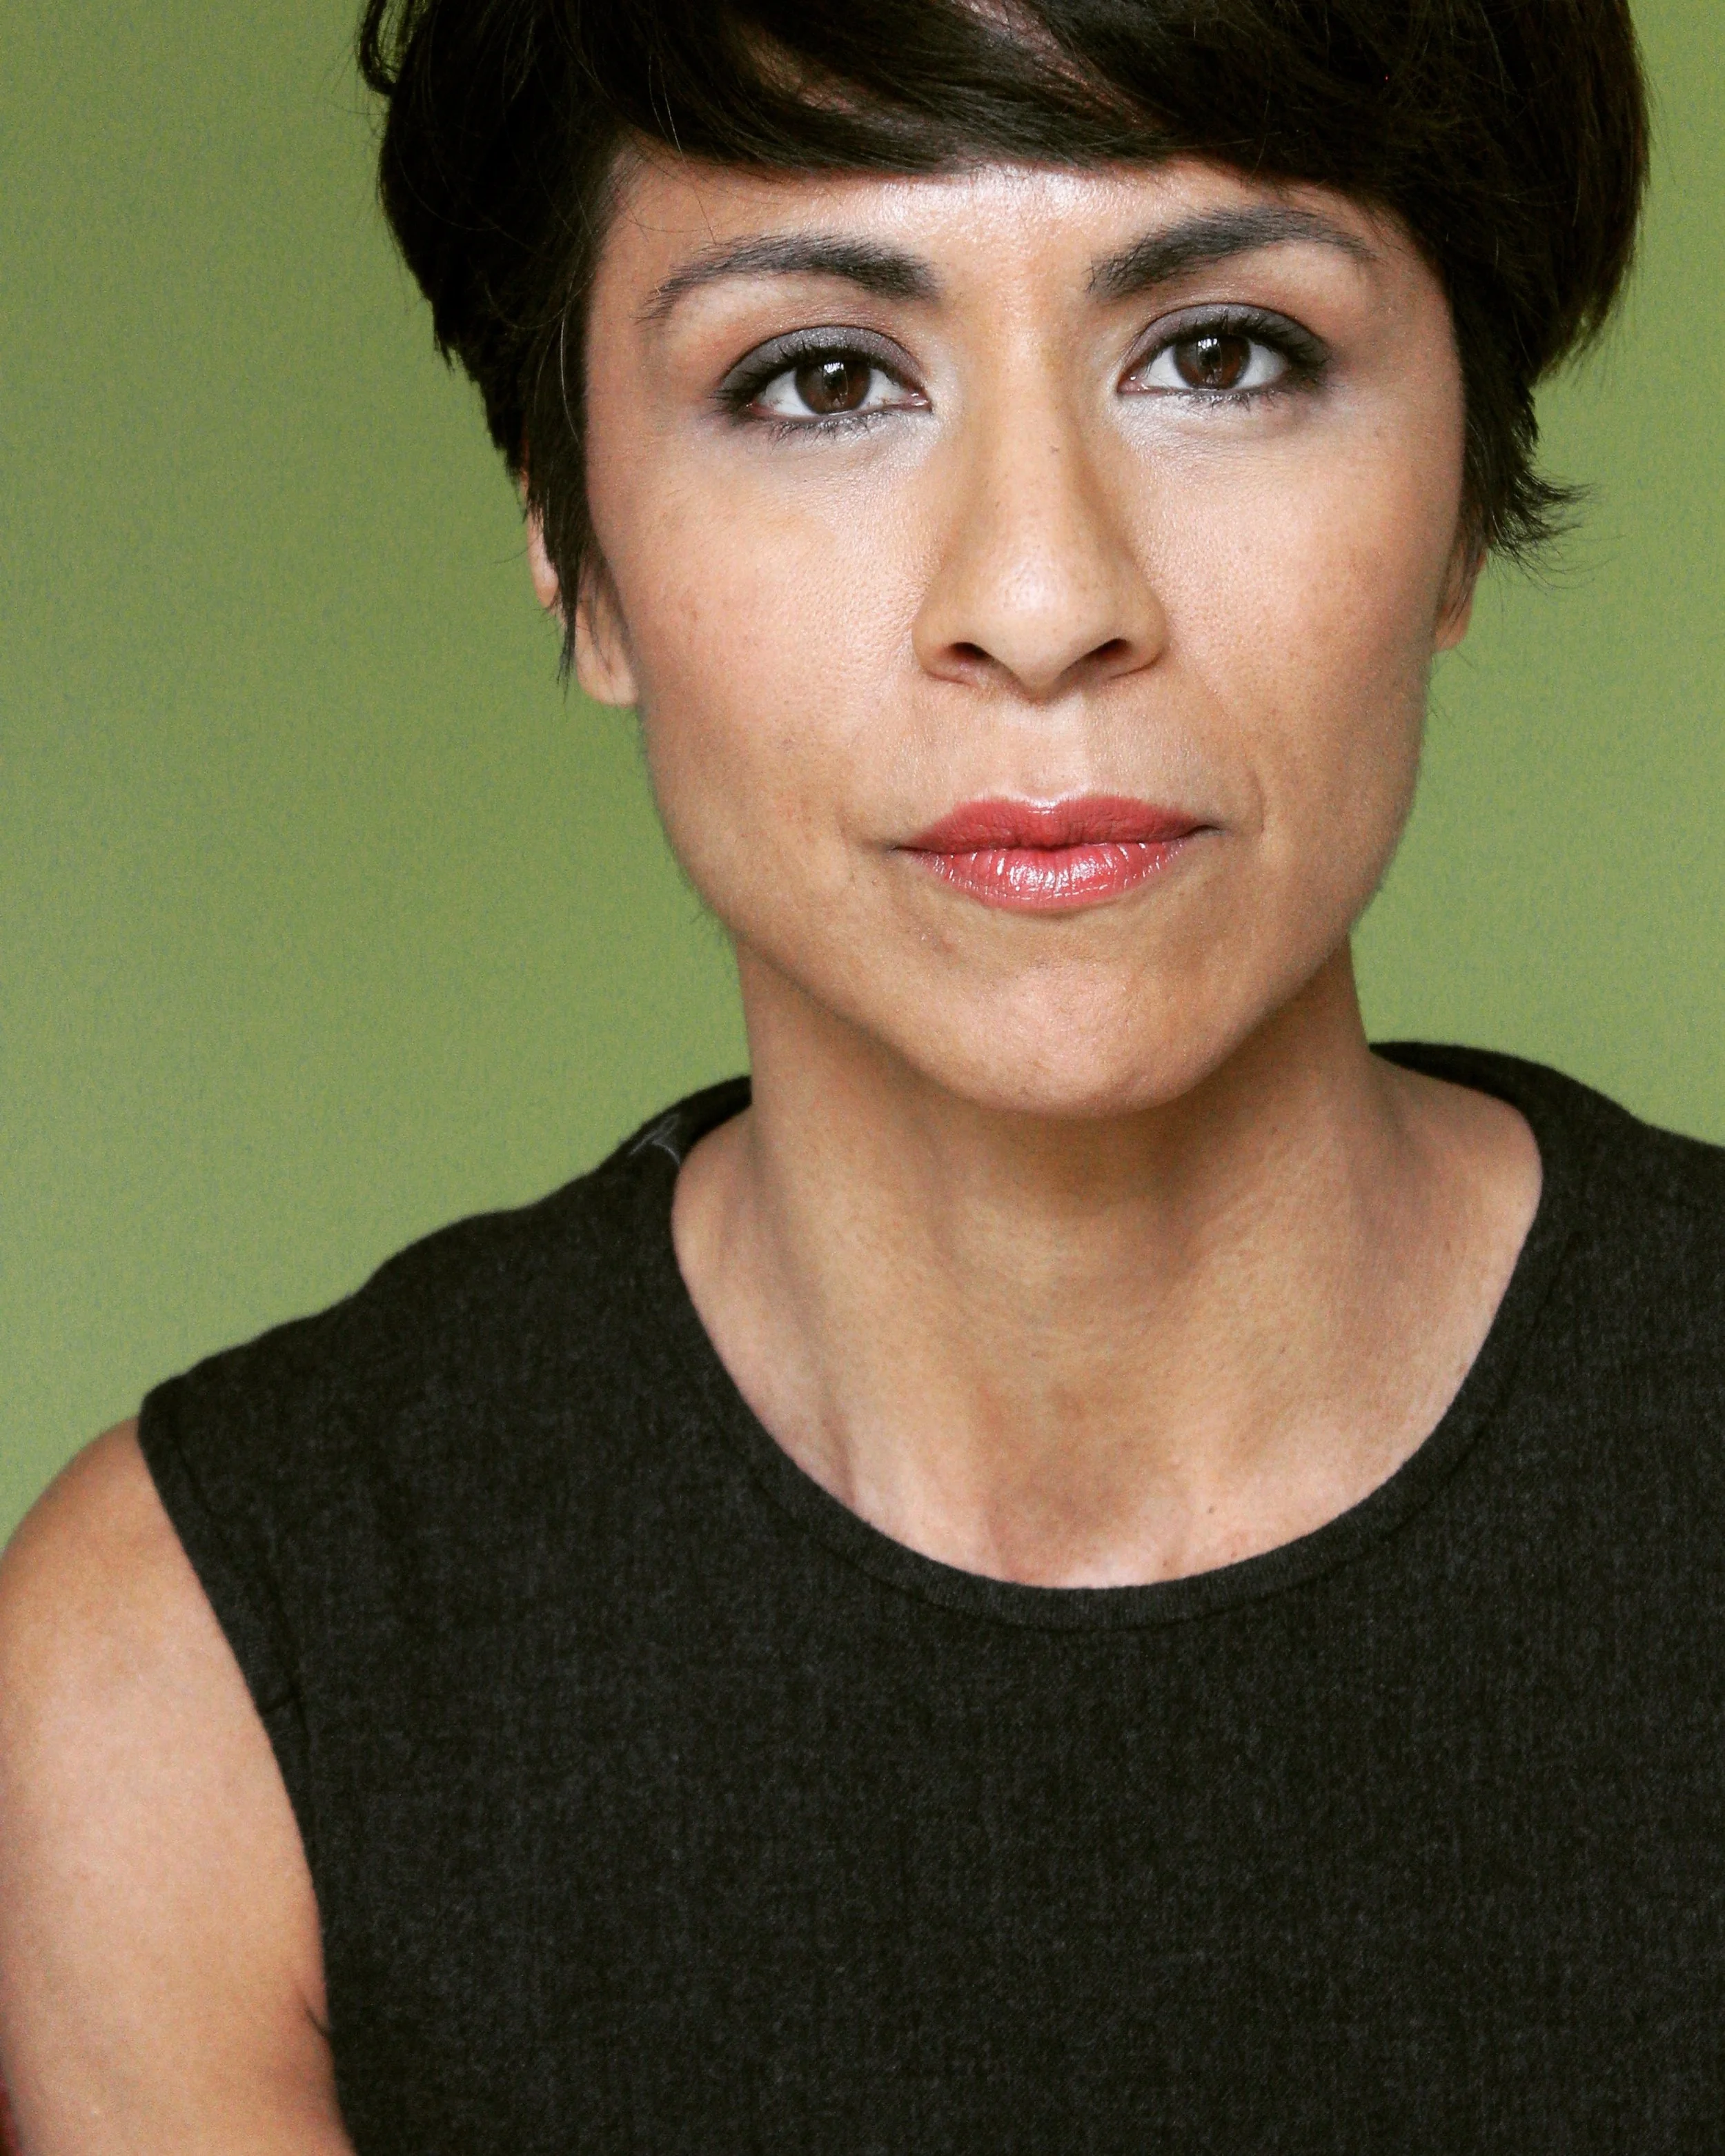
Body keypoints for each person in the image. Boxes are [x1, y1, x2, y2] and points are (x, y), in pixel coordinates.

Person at [2, 0, 1714, 2148]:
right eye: (820, 377)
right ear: (571, 536)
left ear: (1463, 485)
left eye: (1220, 352)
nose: (1039, 596)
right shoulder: (191, 1688)